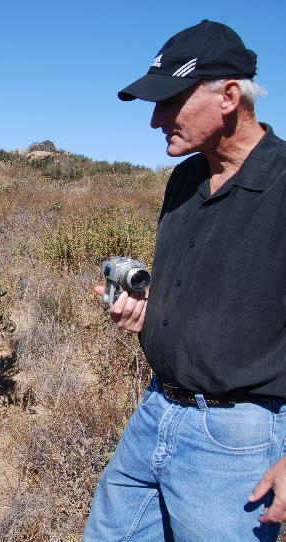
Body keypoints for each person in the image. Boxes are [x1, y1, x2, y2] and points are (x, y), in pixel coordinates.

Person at [85, 20, 286, 541]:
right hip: (155, 412)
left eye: (170, 101)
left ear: (229, 95)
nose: (155, 119)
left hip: (236, 439)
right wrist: (148, 314)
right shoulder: (186, 178)